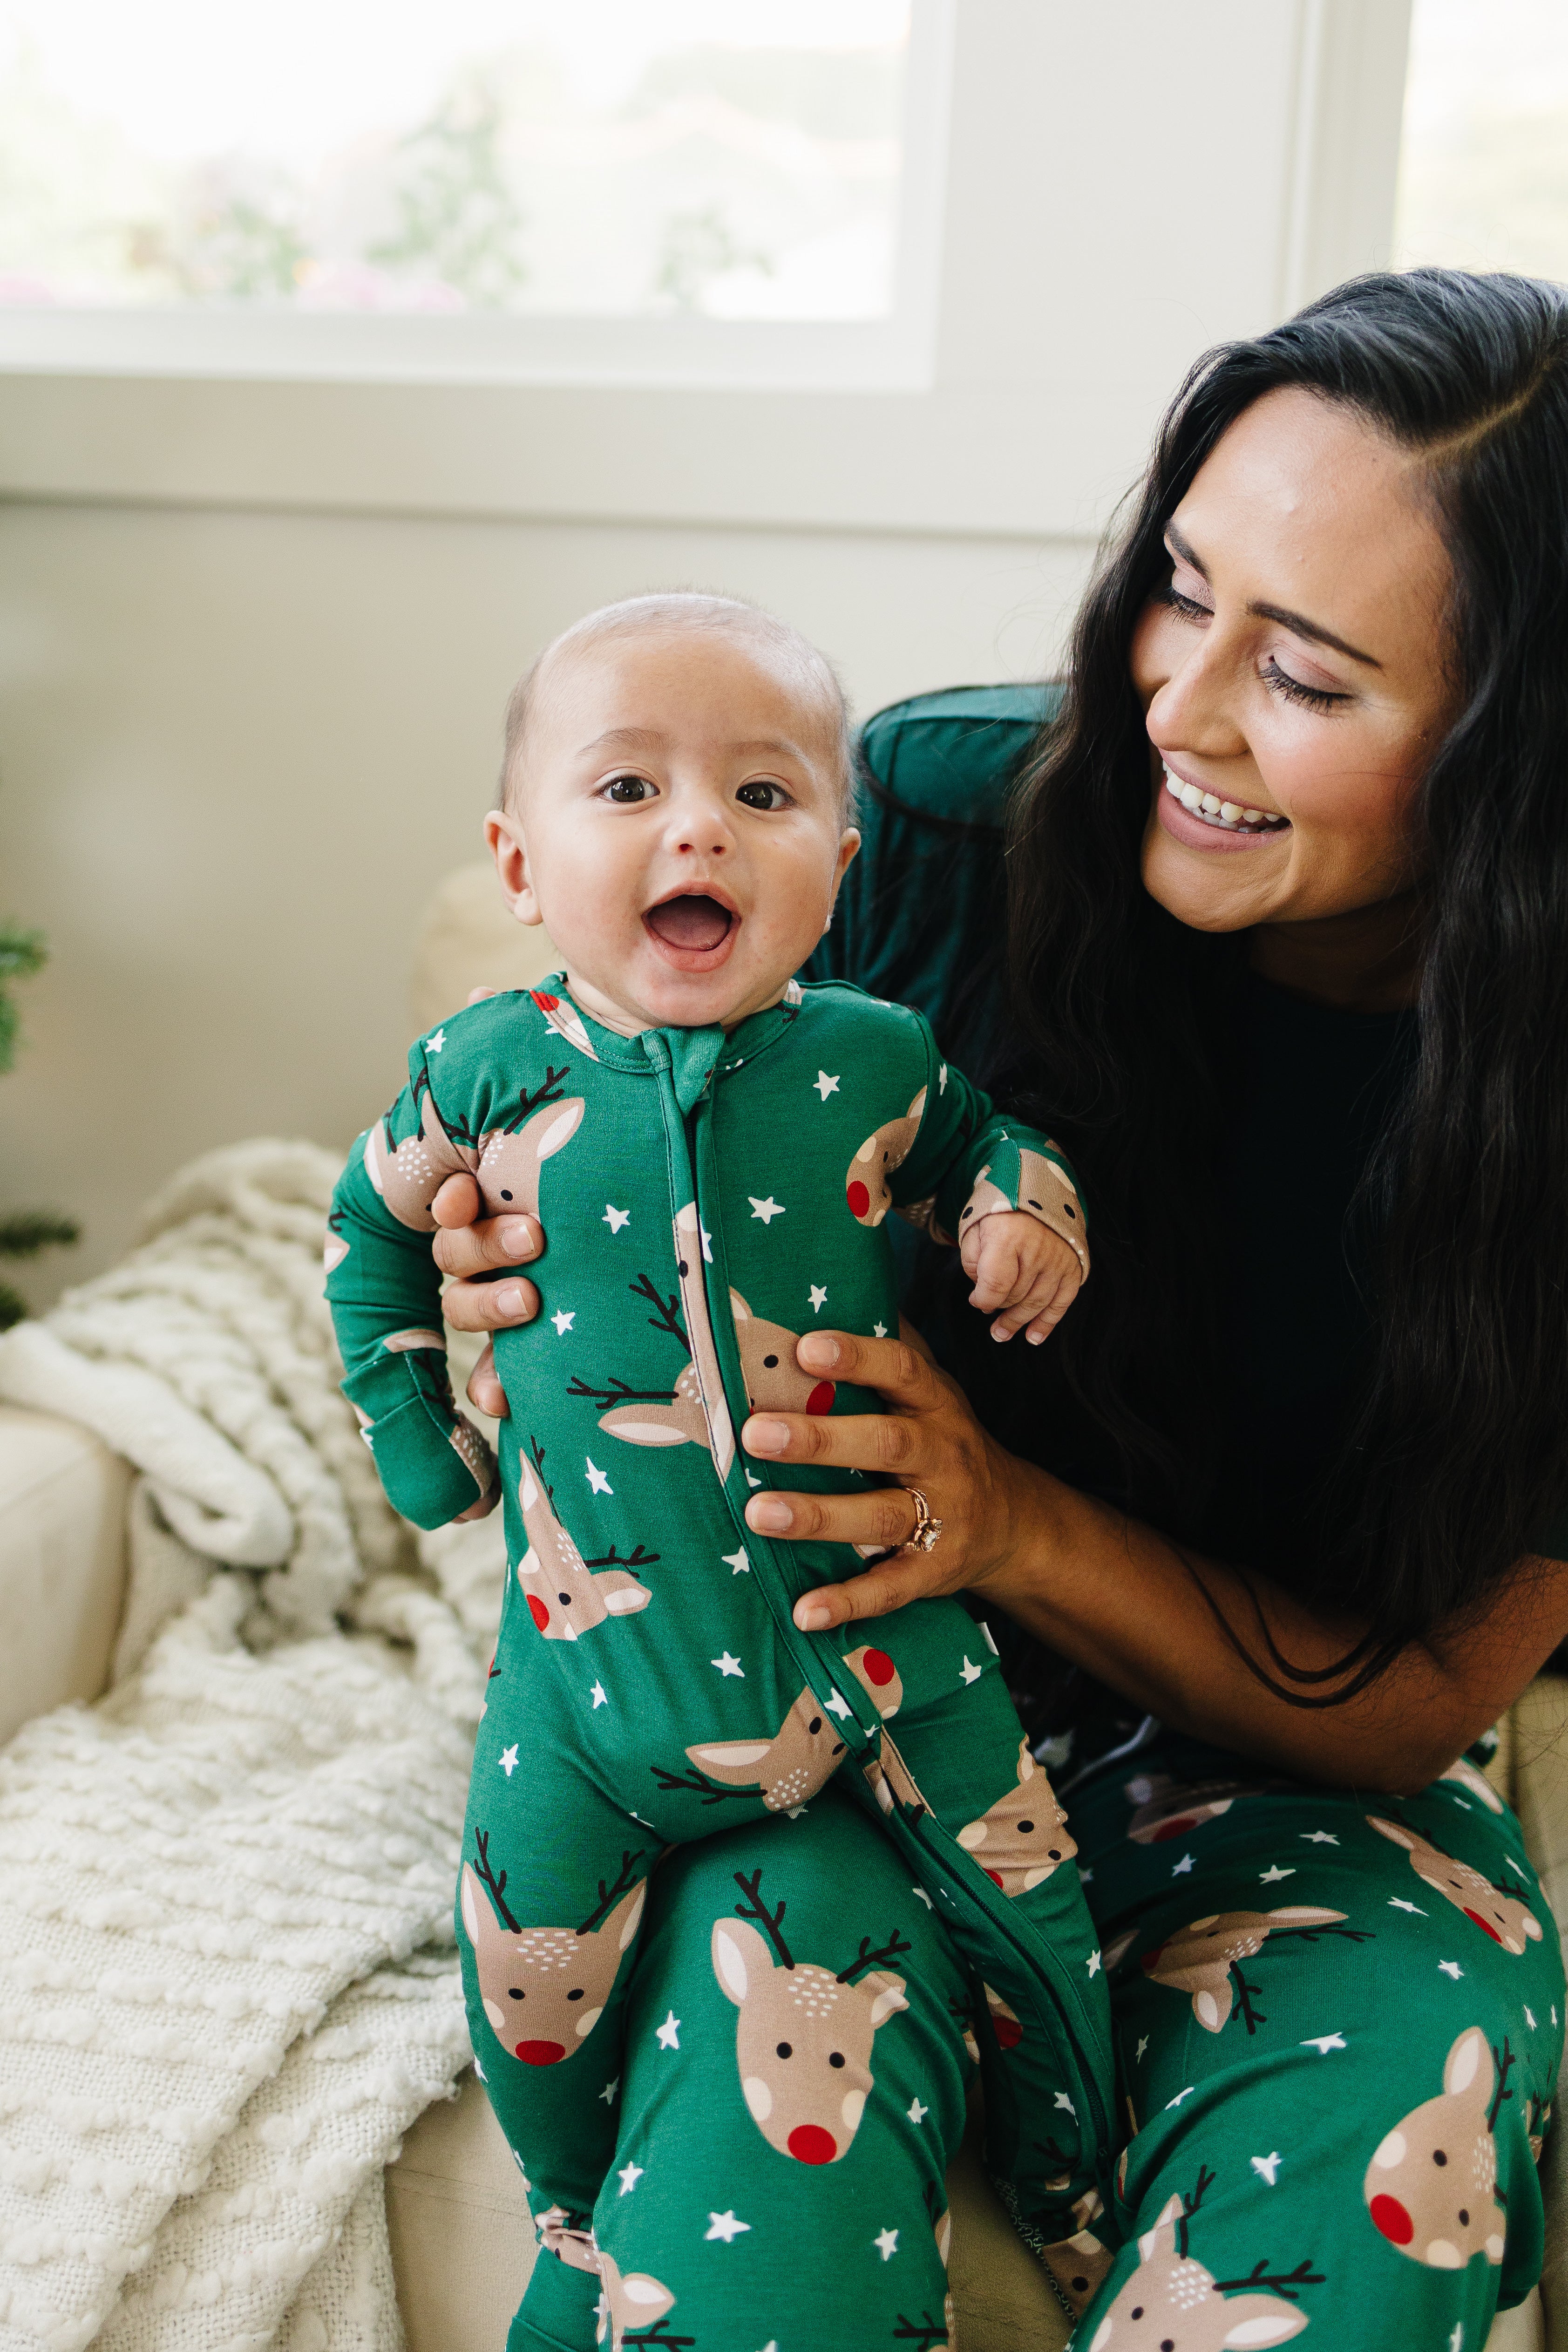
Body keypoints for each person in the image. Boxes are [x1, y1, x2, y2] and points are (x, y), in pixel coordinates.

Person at [429, 271, 1568, 2348]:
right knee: (759, 2113)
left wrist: (1013, 1523)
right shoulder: (930, 830)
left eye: (1303, 674)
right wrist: (487, 1248)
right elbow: (570, 1102)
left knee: (1400, 2072)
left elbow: (1412, 1699)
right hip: (828, 1735)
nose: (1179, 706)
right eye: (1180, 590)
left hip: (1292, 1783)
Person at [325, 593, 1111, 2352]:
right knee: (519, 1967)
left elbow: (990, 1146)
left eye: (763, 796)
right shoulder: (481, 1070)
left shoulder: (875, 1057)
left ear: (839, 862)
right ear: (520, 864)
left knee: (1039, 1914)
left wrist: (1023, 1213)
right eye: (629, 789)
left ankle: (1079, 2195)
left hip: (876, 1648)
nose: (699, 830)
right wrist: (418, 1430)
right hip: (590, 1690)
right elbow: (363, 1236)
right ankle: (577, 2211)